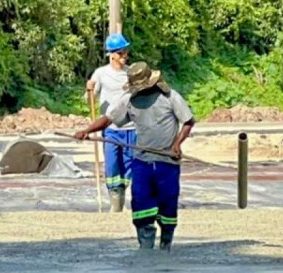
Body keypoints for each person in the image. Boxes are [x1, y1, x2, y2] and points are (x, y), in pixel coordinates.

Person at [76, 63, 195, 251]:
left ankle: (166, 244)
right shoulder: (129, 100)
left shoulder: (170, 97)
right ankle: (145, 247)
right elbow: (109, 119)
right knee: (141, 203)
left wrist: (177, 144)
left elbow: (188, 121)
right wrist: (86, 131)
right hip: (142, 161)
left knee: (167, 202)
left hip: (166, 162)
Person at [86, 33, 136, 213]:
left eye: (125, 53)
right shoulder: (101, 74)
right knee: (113, 165)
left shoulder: (131, 73)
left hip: (130, 127)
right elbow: (90, 98)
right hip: (110, 128)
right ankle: (115, 205)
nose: (125, 56)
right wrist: (89, 90)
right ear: (112, 54)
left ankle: (123, 195)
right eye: (121, 53)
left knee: (130, 166)